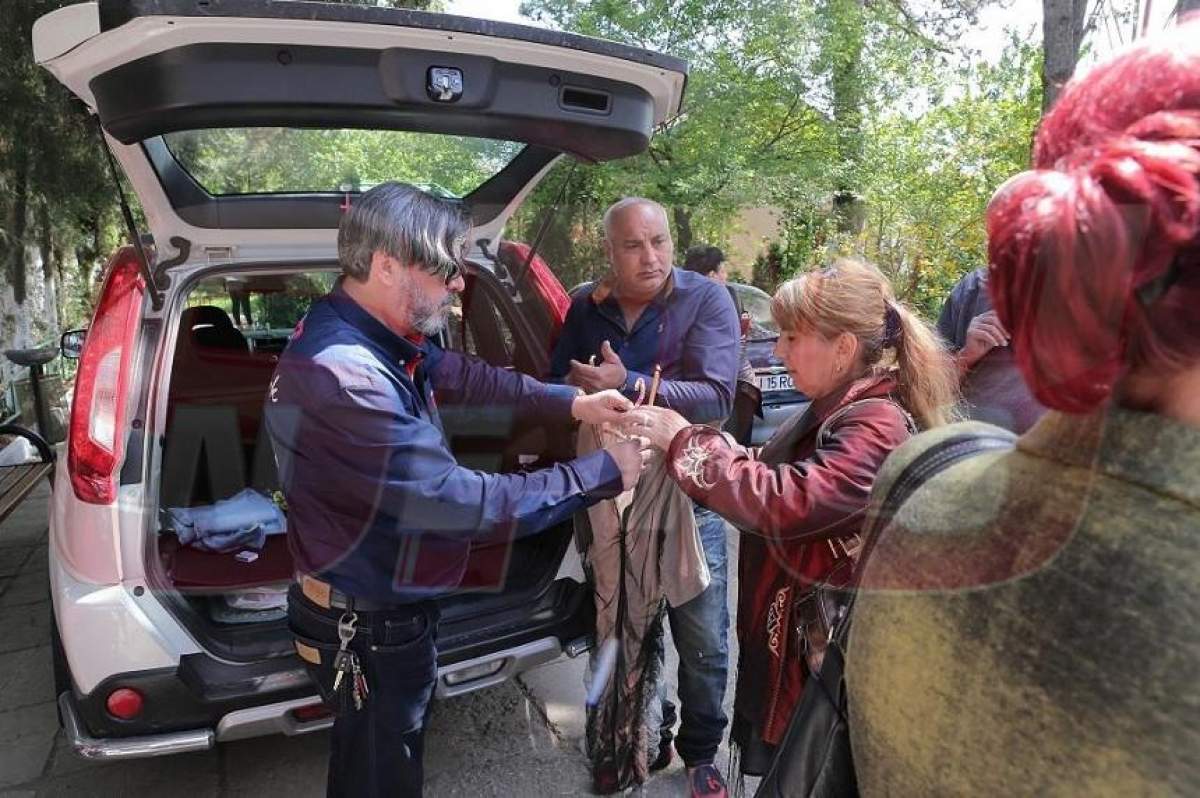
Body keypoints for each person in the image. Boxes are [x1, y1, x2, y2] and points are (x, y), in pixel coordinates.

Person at [847, 20, 1200, 795]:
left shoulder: (913, 485)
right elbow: (930, 371)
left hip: (1014, 468)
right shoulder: (966, 297)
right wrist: (969, 348)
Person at [264, 182, 646, 798]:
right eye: (445, 269)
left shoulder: (360, 330)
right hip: (372, 626)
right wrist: (604, 472)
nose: (460, 284)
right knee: (382, 773)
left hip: (366, 606)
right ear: (386, 266)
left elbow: (460, 371)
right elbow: (462, 505)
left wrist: (573, 402)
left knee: (365, 758)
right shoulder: (350, 379)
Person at [628, 258, 958, 785]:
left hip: (830, 673)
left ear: (844, 348)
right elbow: (792, 471)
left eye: (790, 337)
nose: (777, 351)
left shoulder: (875, 422)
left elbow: (787, 501)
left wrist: (687, 441)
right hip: (812, 658)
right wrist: (735, 451)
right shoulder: (842, 403)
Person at [550, 199, 741, 797]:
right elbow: (557, 380)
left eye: (658, 241)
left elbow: (715, 398)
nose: (650, 256)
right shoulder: (586, 306)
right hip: (613, 496)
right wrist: (575, 389)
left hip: (691, 496)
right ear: (609, 251)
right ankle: (644, 735)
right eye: (632, 246)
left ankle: (701, 751)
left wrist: (626, 383)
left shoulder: (706, 300)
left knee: (703, 638)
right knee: (623, 620)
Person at [936, 266, 1045, 433]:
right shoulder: (973, 288)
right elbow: (927, 391)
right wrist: (966, 356)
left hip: (1048, 449)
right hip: (967, 443)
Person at [682, 245, 761, 445]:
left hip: (721, 388)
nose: (725, 276)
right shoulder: (723, 295)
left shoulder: (679, 297)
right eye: (723, 270)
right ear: (712, 275)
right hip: (728, 387)